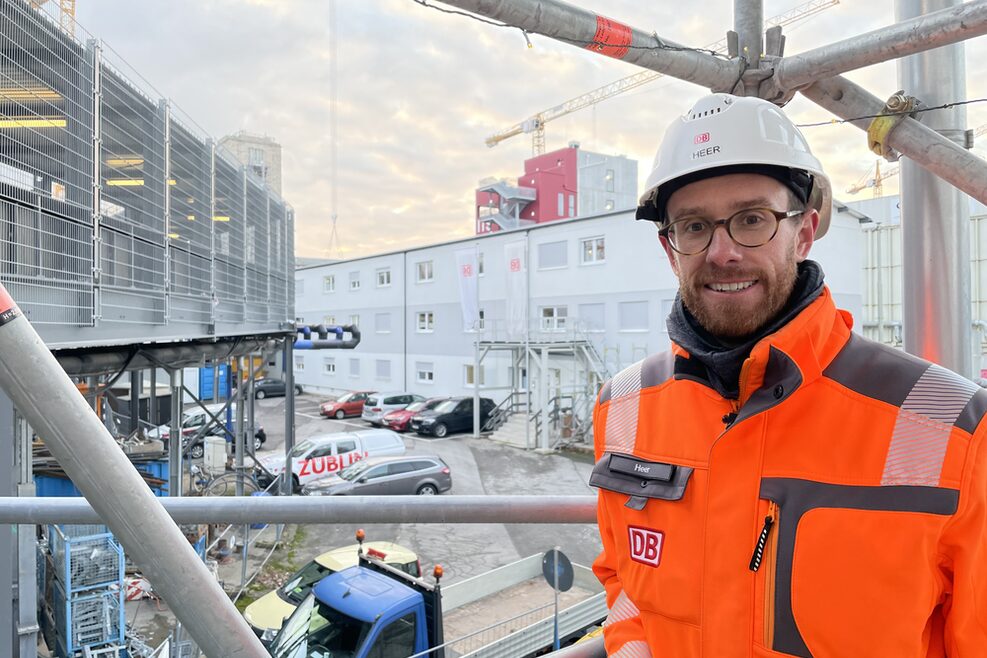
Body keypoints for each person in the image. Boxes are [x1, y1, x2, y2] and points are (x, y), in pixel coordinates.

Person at [590, 93, 987, 657]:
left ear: (804, 232)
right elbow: (626, 581)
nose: (723, 251)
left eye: (753, 219)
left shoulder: (953, 426)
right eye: (695, 226)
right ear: (669, 249)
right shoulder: (623, 407)